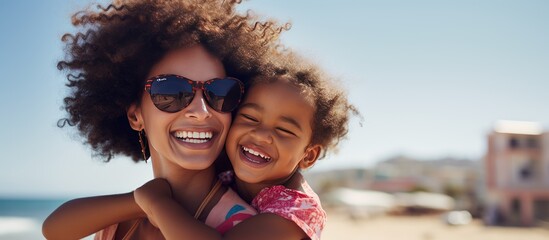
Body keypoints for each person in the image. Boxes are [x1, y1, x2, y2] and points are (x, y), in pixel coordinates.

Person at [42, 0, 286, 239]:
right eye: (171, 91)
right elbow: (53, 230)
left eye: (220, 92)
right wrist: (145, 201)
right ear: (135, 115)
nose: (201, 111)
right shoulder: (117, 221)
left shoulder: (246, 228)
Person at [133, 54, 359, 240]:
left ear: (308, 156)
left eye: (284, 130)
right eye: (250, 118)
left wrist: (157, 203)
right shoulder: (229, 165)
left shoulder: (296, 210)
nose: (261, 135)